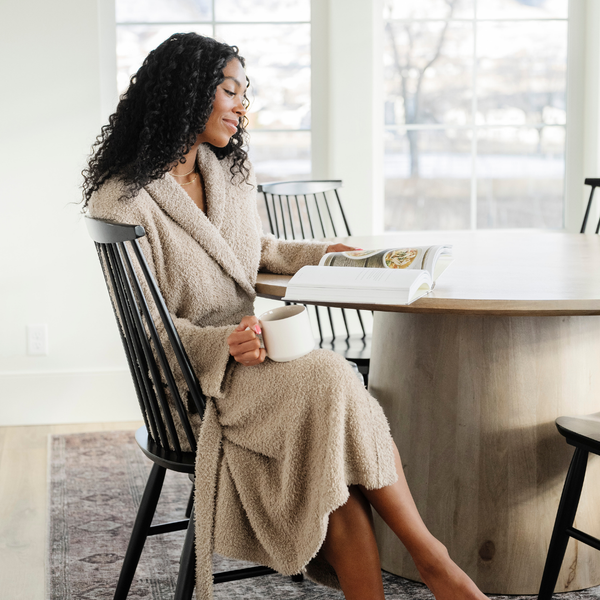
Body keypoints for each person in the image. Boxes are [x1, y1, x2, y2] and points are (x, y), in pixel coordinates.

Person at [82, 33, 487, 600]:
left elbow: (258, 248)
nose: (243, 105)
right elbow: (150, 333)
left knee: (332, 435)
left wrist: (324, 253)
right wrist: (225, 343)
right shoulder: (123, 199)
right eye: (230, 90)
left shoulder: (227, 173)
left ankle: (418, 569)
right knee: (331, 378)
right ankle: (434, 559)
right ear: (187, 95)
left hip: (262, 361)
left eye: (246, 91)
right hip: (196, 381)